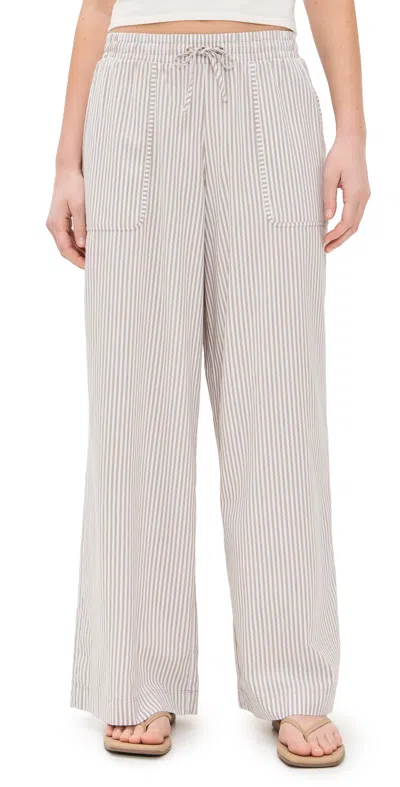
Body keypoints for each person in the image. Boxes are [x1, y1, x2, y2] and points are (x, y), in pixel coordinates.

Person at [47, 0, 370, 768]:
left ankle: (293, 673)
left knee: (279, 400)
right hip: (132, 90)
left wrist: (352, 132)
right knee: (134, 403)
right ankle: (136, 673)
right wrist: (66, 162)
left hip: (267, 91)